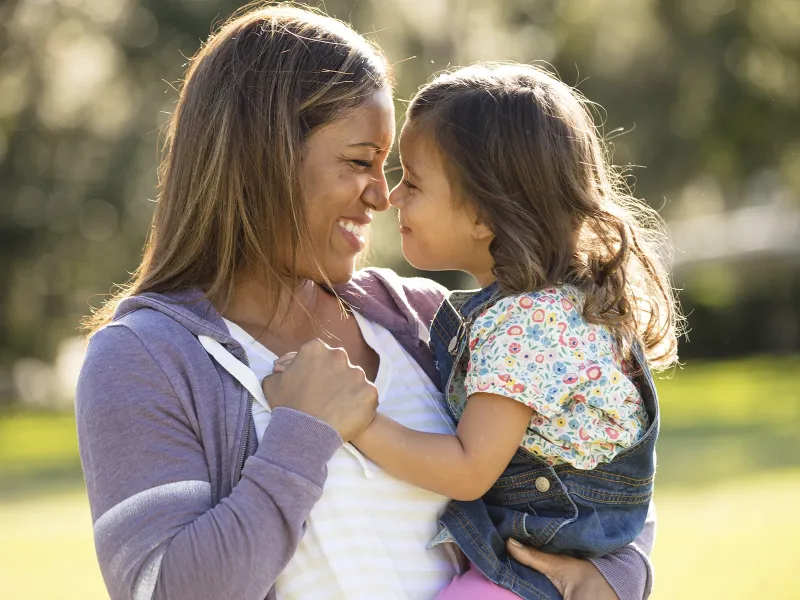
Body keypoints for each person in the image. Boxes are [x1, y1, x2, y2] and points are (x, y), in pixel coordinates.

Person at [75, 6, 655, 600]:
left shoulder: (428, 320)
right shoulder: (143, 358)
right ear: (261, 157)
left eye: (391, 168)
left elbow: (591, 472)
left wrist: (612, 578)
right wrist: (302, 431)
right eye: (359, 162)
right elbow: (164, 591)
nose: (382, 196)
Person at [276, 63, 679, 599]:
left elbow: (468, 471)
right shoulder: (540, 309)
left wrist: (355, 422)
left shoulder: (528, 325)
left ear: (485, 215)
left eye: (413, 183)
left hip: (537, 568)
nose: (392, 198)